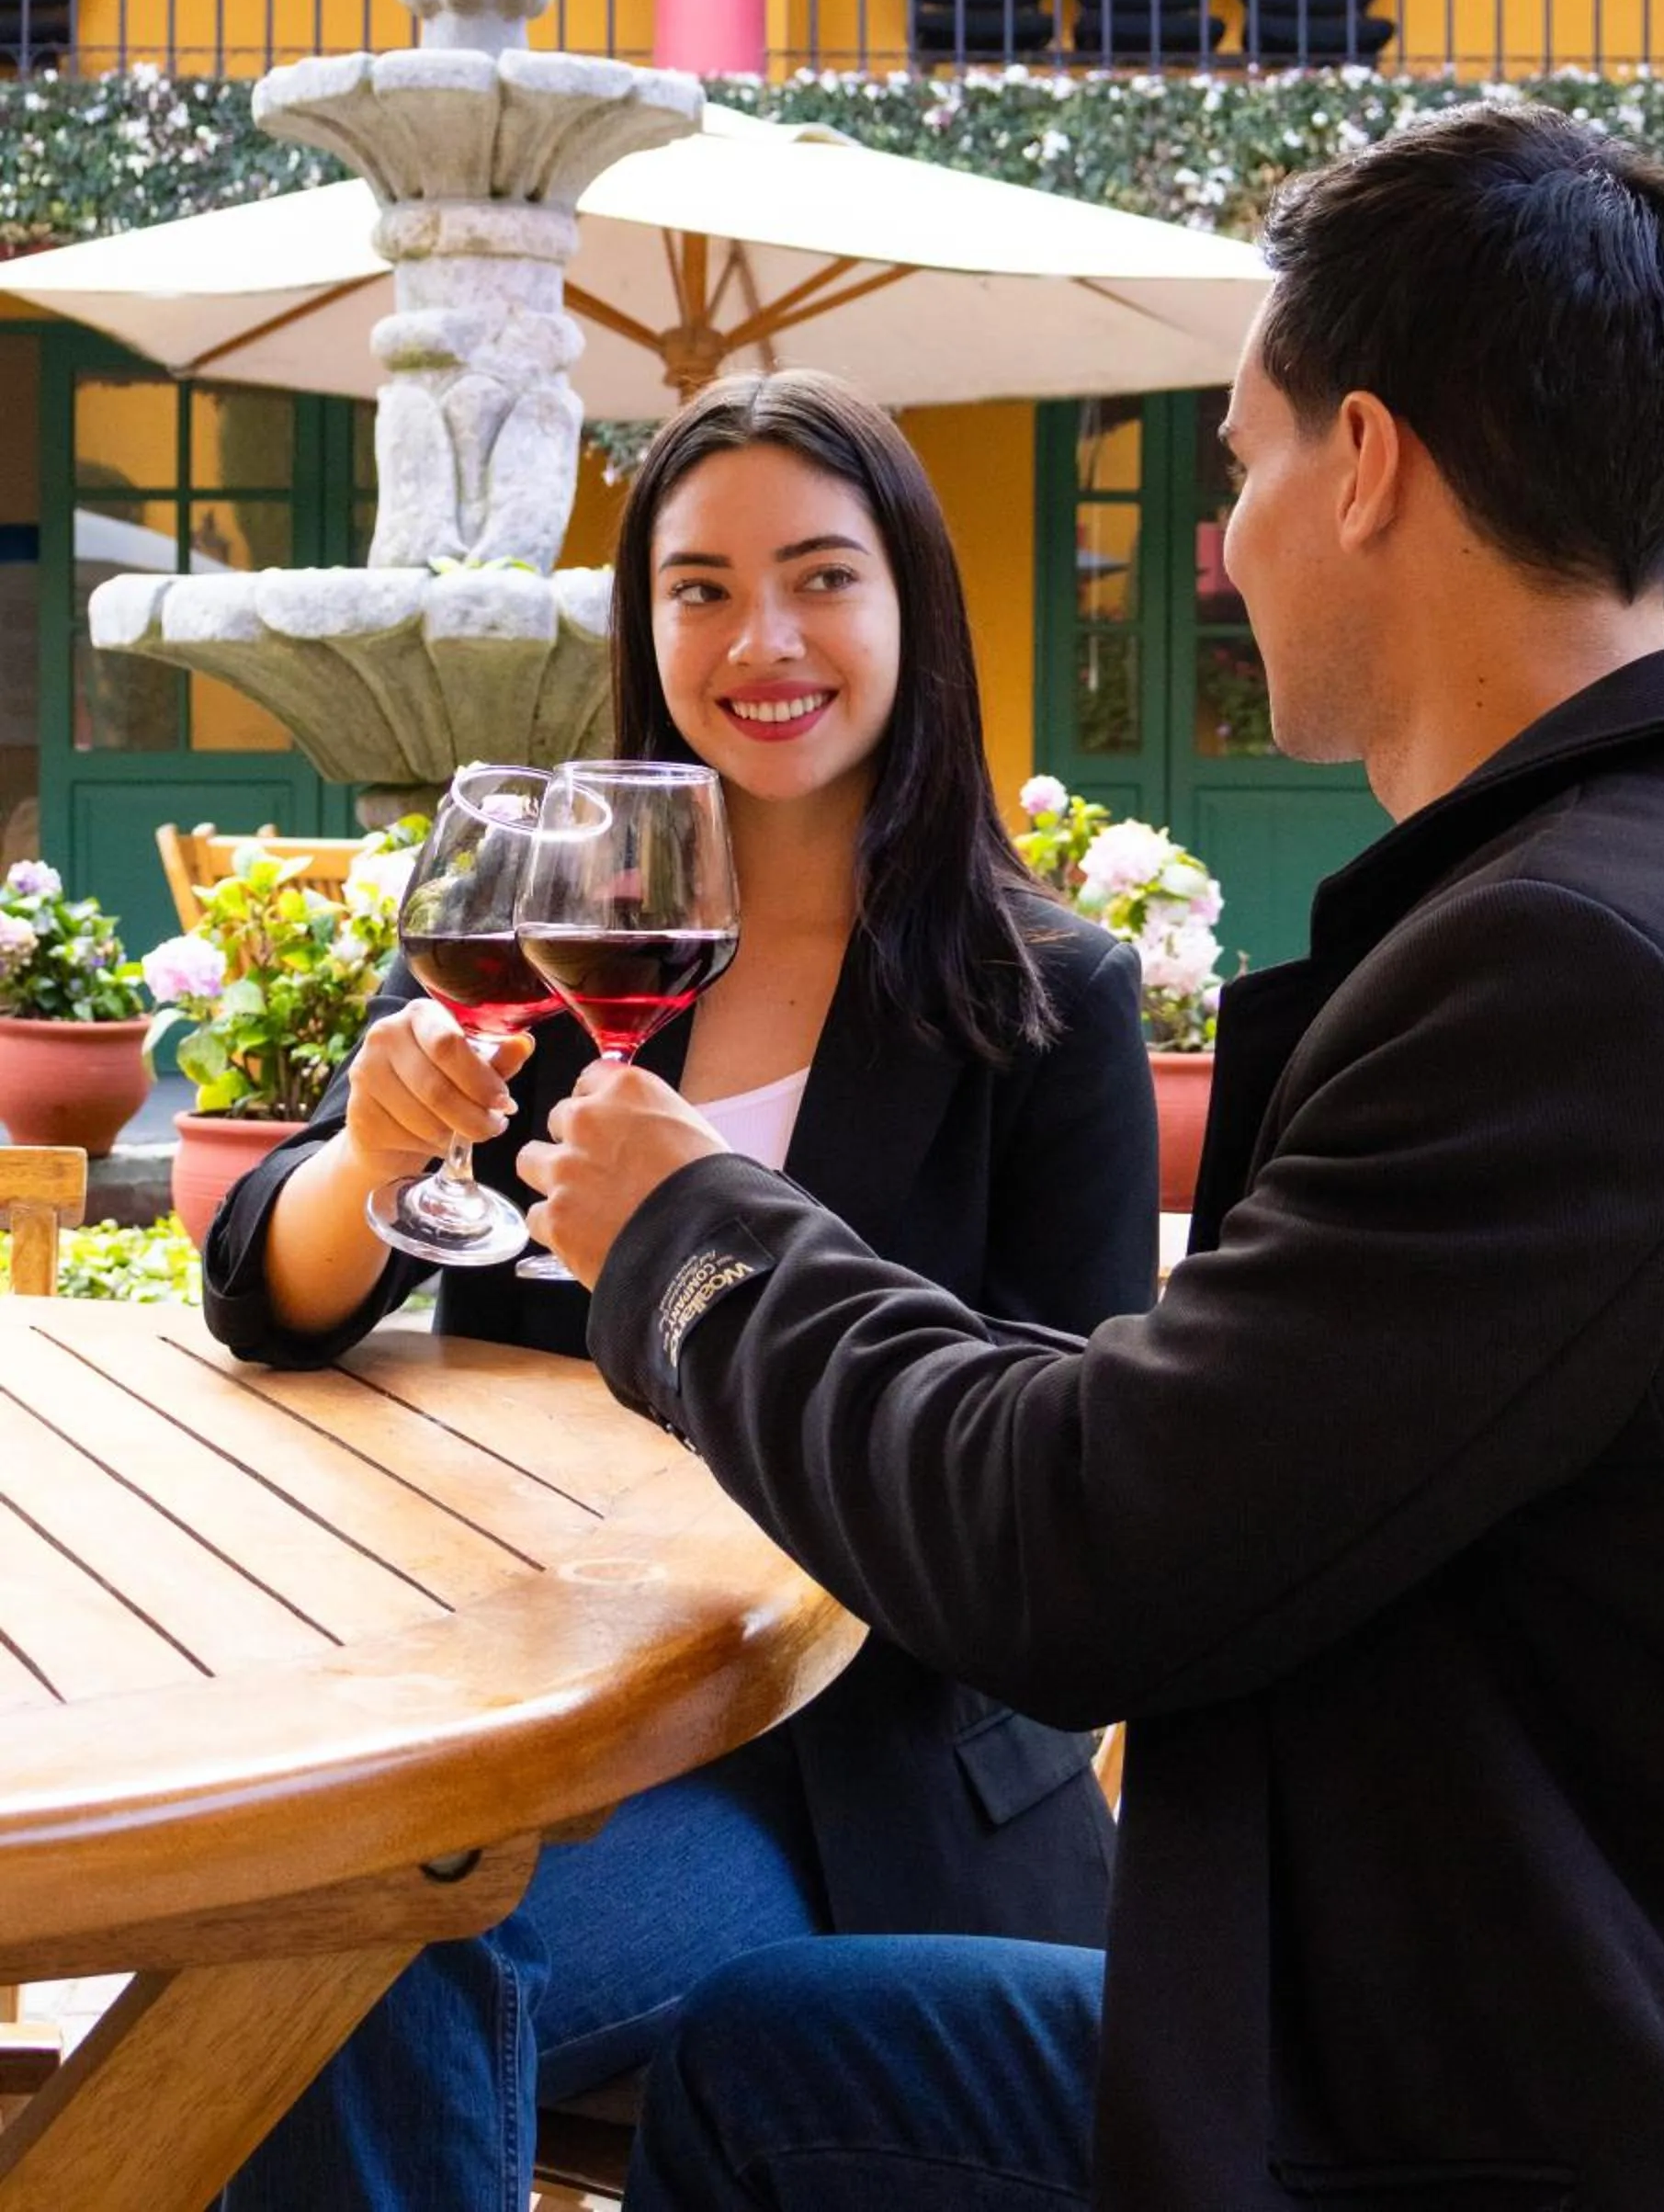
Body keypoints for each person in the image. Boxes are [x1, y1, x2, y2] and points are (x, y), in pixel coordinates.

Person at [524, 103, 1664, 2211]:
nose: (1225, 535)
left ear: (1371, 464)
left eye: (1239, 460)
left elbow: (1078, 1549)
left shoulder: (1574, 976)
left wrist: (692, 1240)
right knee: (778, 2066)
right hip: (1514, 2004)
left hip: (1518, 2110)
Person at [201, 370, 1158, 2212]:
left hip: (825, 1765)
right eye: (700, 588)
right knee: (301, 1900)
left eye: (820, 577)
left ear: (909, 612)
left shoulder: (1047, 998)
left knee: (357, 1947)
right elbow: (267, 1292)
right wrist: (369, 1159)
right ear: (644, 627)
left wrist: (710, 1258)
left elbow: (1050, 1473)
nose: (761, 638)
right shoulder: (562, 920)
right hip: (494, 1710)